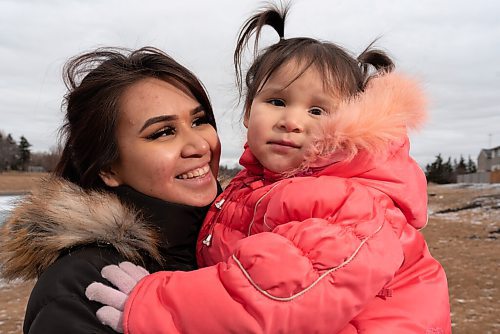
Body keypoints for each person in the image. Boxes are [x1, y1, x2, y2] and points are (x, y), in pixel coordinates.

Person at [87, 5, 452, 334]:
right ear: (248, 112)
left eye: (317, 111)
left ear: (350, 124)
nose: (291, 121)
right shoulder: (258, 184)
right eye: (277, 101)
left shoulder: (348, 201)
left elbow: (283, 291)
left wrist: (157, 303)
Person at [0, 46, 221, 333]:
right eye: (163, 132)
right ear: (109, 168)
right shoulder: (85, 287)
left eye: (199, 120)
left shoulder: (243, 240)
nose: (200, 146)